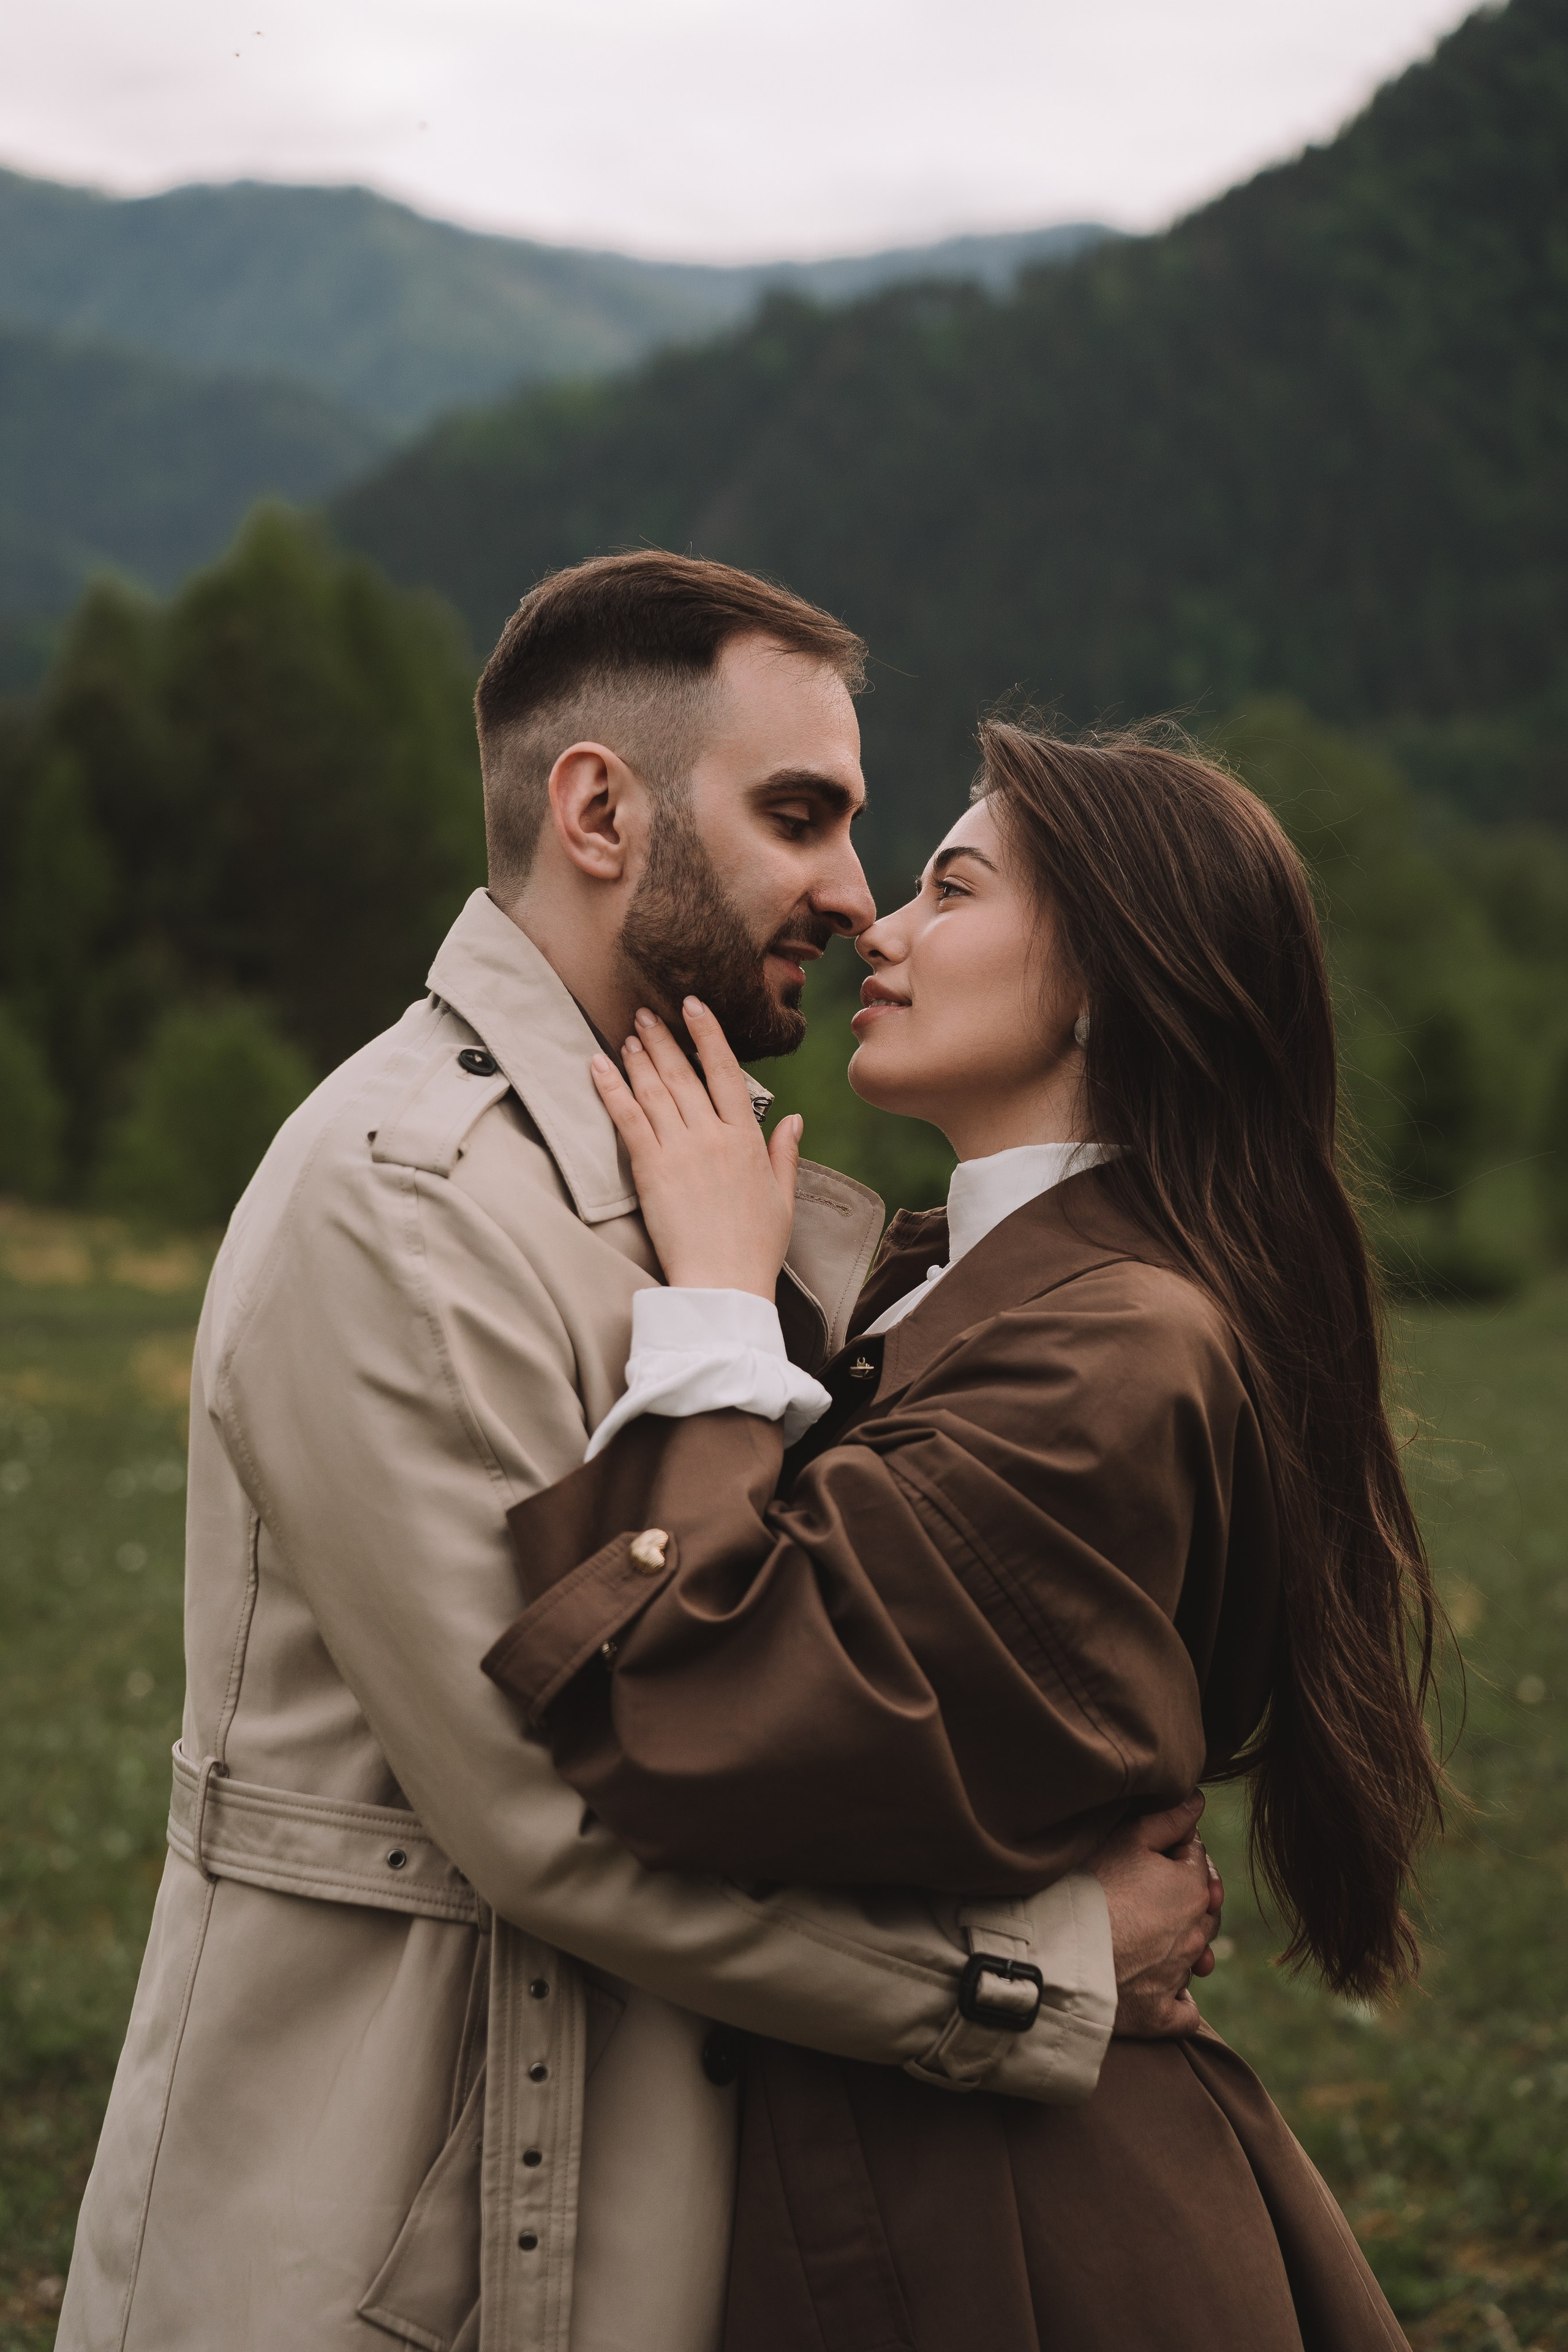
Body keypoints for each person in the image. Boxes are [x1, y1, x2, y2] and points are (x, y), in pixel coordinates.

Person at [59, 559, 1215, 2352]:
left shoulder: (705, 1188)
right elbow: (554, 1822)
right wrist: (1042, 1969)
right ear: (601, 811)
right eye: (801, 816)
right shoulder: (408, 1207)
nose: (854, 893)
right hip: (393, 2258)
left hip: (648, 2218)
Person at [483, 719, 1447, 2351]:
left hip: (1017, 2231)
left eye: (954, 885)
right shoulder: (1003, 1284)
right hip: (944, 2153)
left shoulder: (1111, 1344)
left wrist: (717, 1300)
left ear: (1105, 981)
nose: (883, 924)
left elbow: (709, 1714)